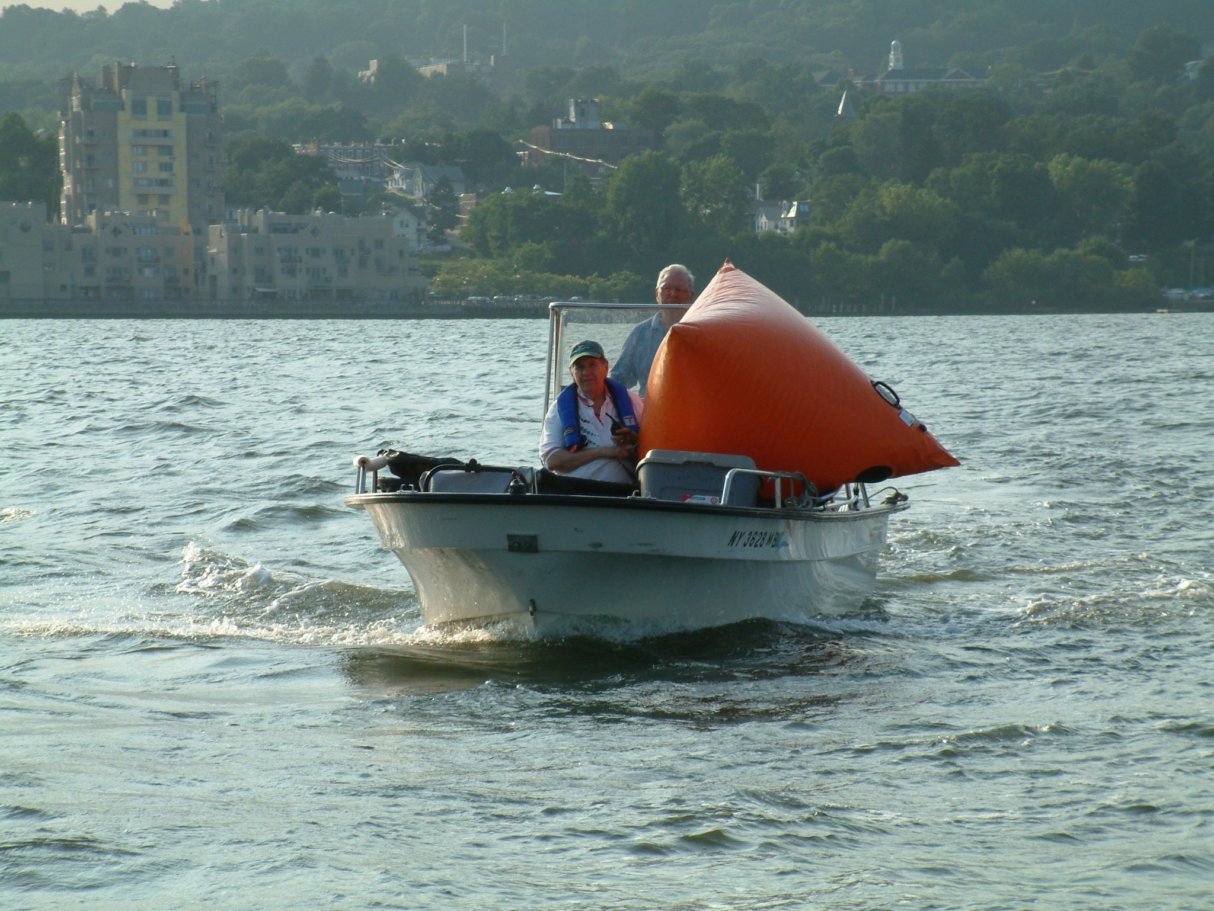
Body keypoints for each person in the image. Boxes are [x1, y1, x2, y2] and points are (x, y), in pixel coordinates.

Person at [539, 339, 643, 484]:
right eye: (580, 367)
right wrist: (606, 451)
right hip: (577, 497)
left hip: (624, 495)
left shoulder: (631, 401)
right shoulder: (558, 409)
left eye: (592, 365)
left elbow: (655, 449)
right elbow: (552, 461)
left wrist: (634, 440)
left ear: (605, 367)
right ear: (571, 372)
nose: (586, 372)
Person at [610, 263, 695, 397]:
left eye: (679, 290)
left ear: (690, 296)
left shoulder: (700, 334)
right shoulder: (640, 334)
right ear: (657, 293)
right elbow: (620, 379)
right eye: (667, 288)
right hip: (650, 412)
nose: (673, 294)